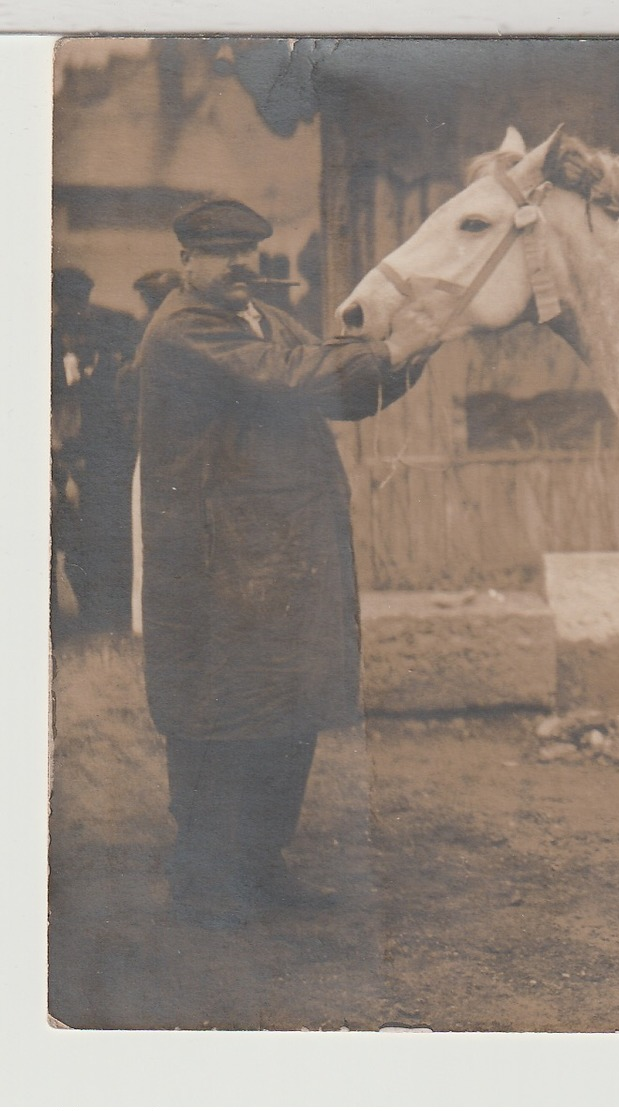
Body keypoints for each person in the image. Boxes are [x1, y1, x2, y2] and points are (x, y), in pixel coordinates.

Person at [134, 198, 454, 928]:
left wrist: (415, 354)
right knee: (223, 715)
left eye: (248, 251)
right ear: (188, 261)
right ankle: (207, 878)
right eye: (222, 253)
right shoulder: (183, 330)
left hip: (279, 556)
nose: (241, 265)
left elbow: (339, 391)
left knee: (287, 709)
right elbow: (292, 376)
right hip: (218, 563)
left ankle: (261, 863)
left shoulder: (263, 320)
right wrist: (394, 345)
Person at [51, 267, 141, 632]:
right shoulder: (46, 332)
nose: (74, 306)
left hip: (106, 448)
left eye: (80, 298)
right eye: (66, 299)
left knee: (108, 530)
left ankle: (109, 613)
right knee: (76, 534)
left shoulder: (110, 326)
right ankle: (86, 614)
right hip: (68, 445)